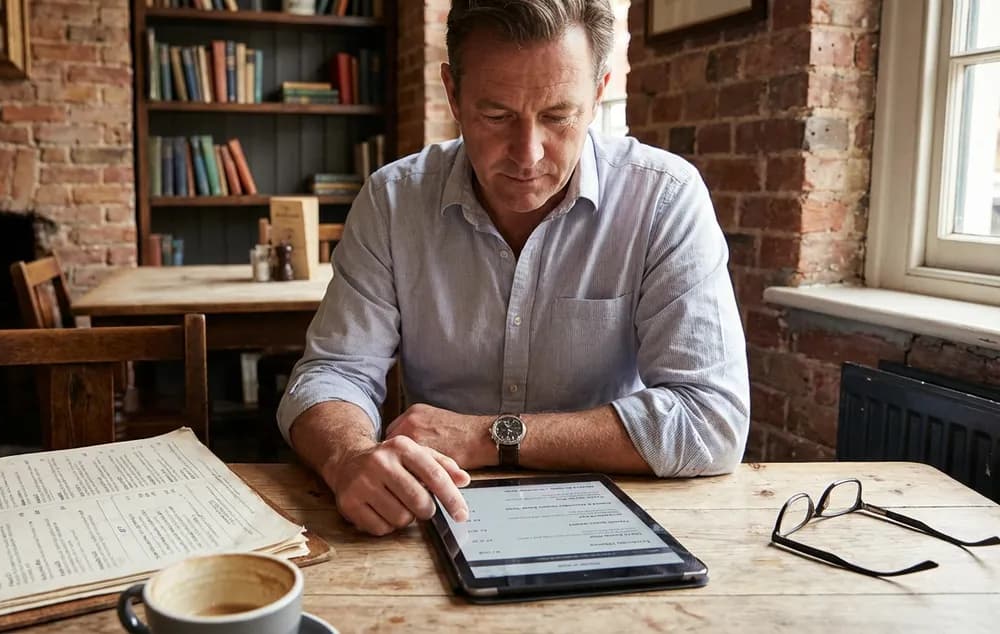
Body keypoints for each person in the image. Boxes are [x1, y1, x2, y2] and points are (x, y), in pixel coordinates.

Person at [277, 0, 749, 536]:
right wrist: (349, 457)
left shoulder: (663, 198)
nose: (527, 155)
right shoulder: (393, 201)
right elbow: (332, 373)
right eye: (496, 115)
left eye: (558, 116)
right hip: (432, 513)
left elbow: (711, 421)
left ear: (599, 93)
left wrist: (488, 436)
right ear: (453, 94)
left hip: (617, 518)